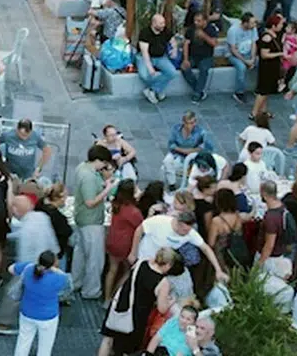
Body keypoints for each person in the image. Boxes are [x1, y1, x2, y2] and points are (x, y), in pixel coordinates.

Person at [98, 246, 176, 356]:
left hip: (120, 304)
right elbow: (162, 308)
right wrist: (171, 302)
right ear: (168, 265)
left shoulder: (141, 263)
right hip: (136, 318)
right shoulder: (163, 283)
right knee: (127, 350)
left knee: (108, 340)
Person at [71, 145, 112, 300]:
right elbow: (90, 202)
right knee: (95, 259)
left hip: (81, 218)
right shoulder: (88, 176)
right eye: (104, 163)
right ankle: (91, 290)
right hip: (91, 221)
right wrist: (107, 189)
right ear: (98, 160)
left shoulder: (82, 167)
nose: (104, 167)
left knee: (80, 254)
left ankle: (76, 282)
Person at [11, 250, 70, 356]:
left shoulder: (28, 269)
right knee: (45, 348)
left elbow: (11, 269)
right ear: (53, 264)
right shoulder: (58, 278)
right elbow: (69, 284)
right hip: (48, 317)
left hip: (27, 313)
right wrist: (55, 270)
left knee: (23, 343)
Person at [136, 13, 176, 104]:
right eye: (161, 23)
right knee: (145, 75)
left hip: (160, 57)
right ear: (154, 23)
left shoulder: (165, 30)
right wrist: (150, 67)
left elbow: (173, 41)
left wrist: (174, 50)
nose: (163, 25)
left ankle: (153, 90)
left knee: (172, 72)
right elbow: (144, 52)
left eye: (164, 23)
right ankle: (158, 90)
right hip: (145, 57)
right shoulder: (145, 33)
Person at [181, 11, 218, 103]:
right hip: (193, 56)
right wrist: (185, 59)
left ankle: (197, 93)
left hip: (206, 57)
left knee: (203, 69)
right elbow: (186, 44)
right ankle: (199, 90)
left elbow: (214, 43)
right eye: (195, 20)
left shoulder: (211, 29)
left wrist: (204, 36)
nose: (196, 23)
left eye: (199, 21)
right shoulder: (191, 29)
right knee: (184, 68)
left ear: (205, 21)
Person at [226, 12, 257, 103]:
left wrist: (252, 58)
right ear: (245, 23)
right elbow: (233, 50)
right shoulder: (233, 31)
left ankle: (258, 88)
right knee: (241, 67)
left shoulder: (253, 29)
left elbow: (254, 44)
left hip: (248, 53)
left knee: (261, 63)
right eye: (252, 23)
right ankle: (239, 92)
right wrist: (246, 61)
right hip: (234, 55)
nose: (254, 25)